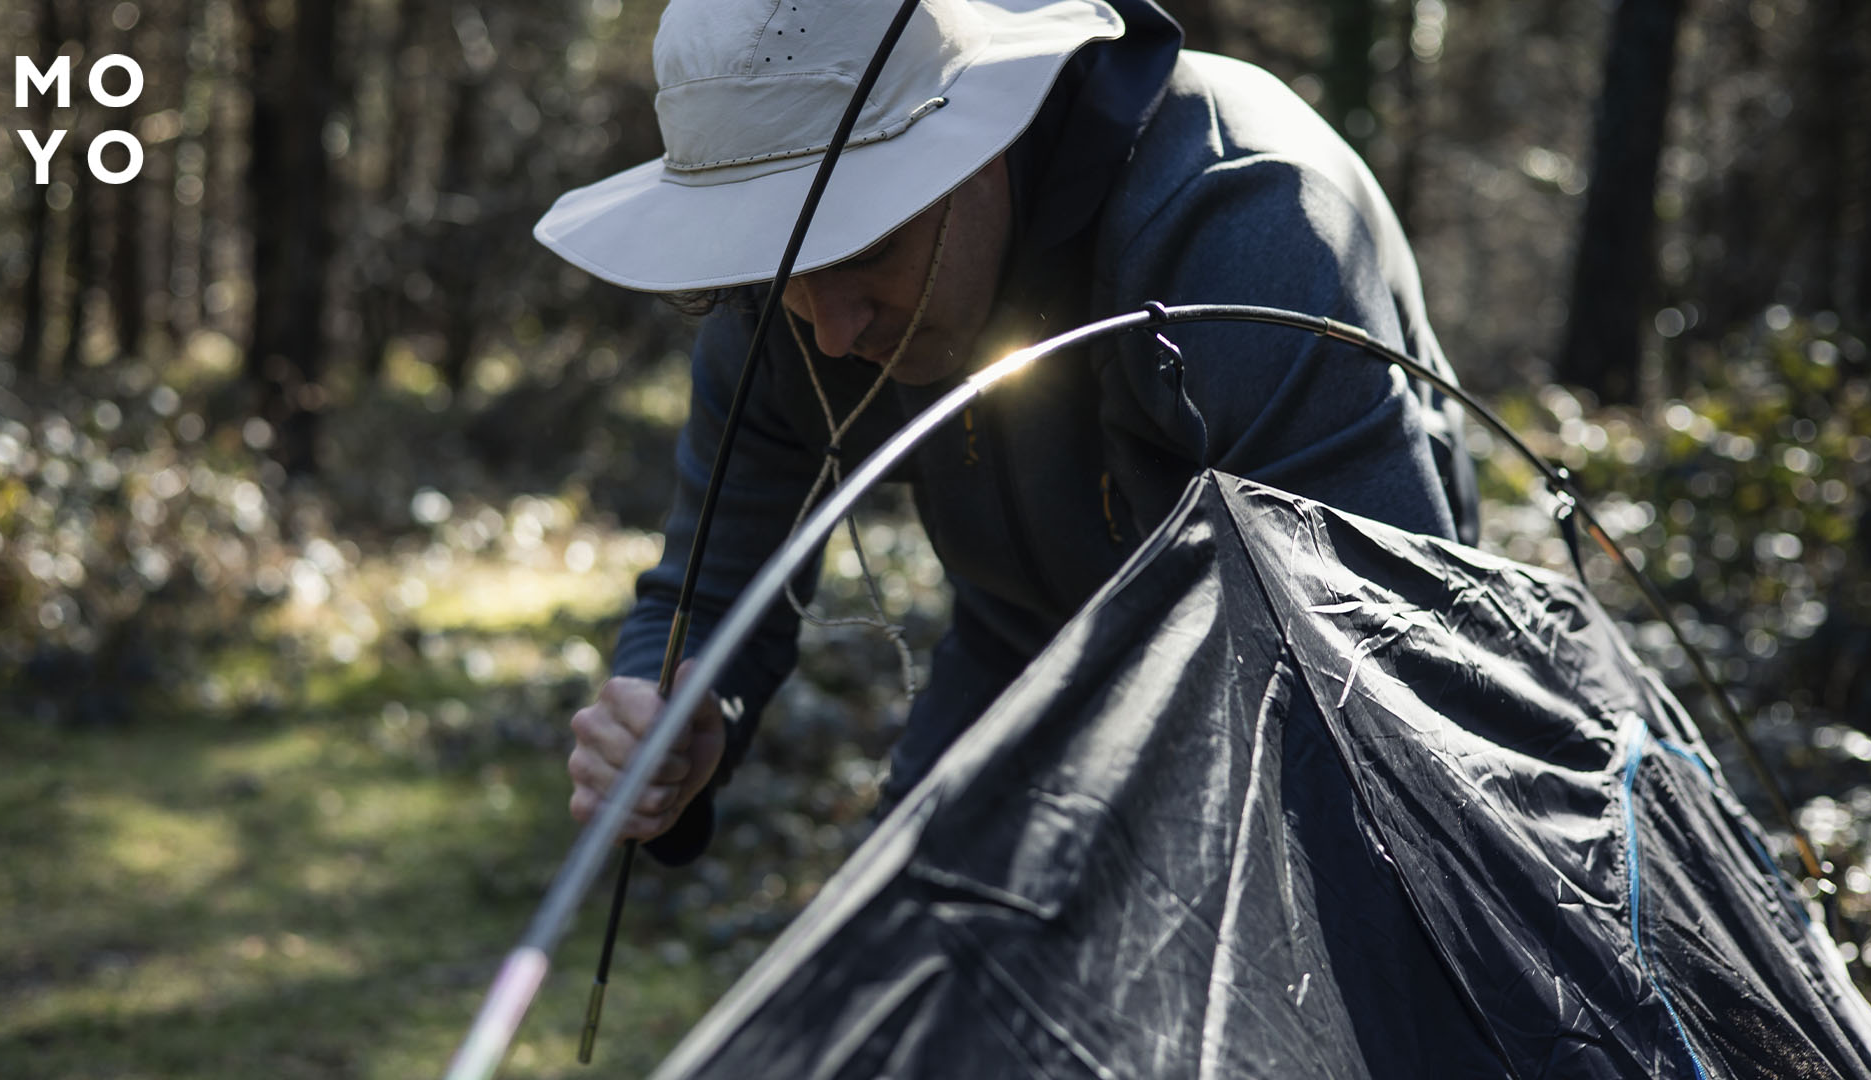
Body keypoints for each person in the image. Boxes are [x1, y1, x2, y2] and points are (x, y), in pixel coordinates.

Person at [535, 0, 1479, 864]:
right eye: (787, 271)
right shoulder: (777, 295)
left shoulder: (1242, 227)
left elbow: (1384, 669)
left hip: (1288, 681)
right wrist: (662, 730)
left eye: (863, 249)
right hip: (1018, 649)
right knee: (909, 971)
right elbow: (709, 593)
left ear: (978, 140)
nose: (830, 328)